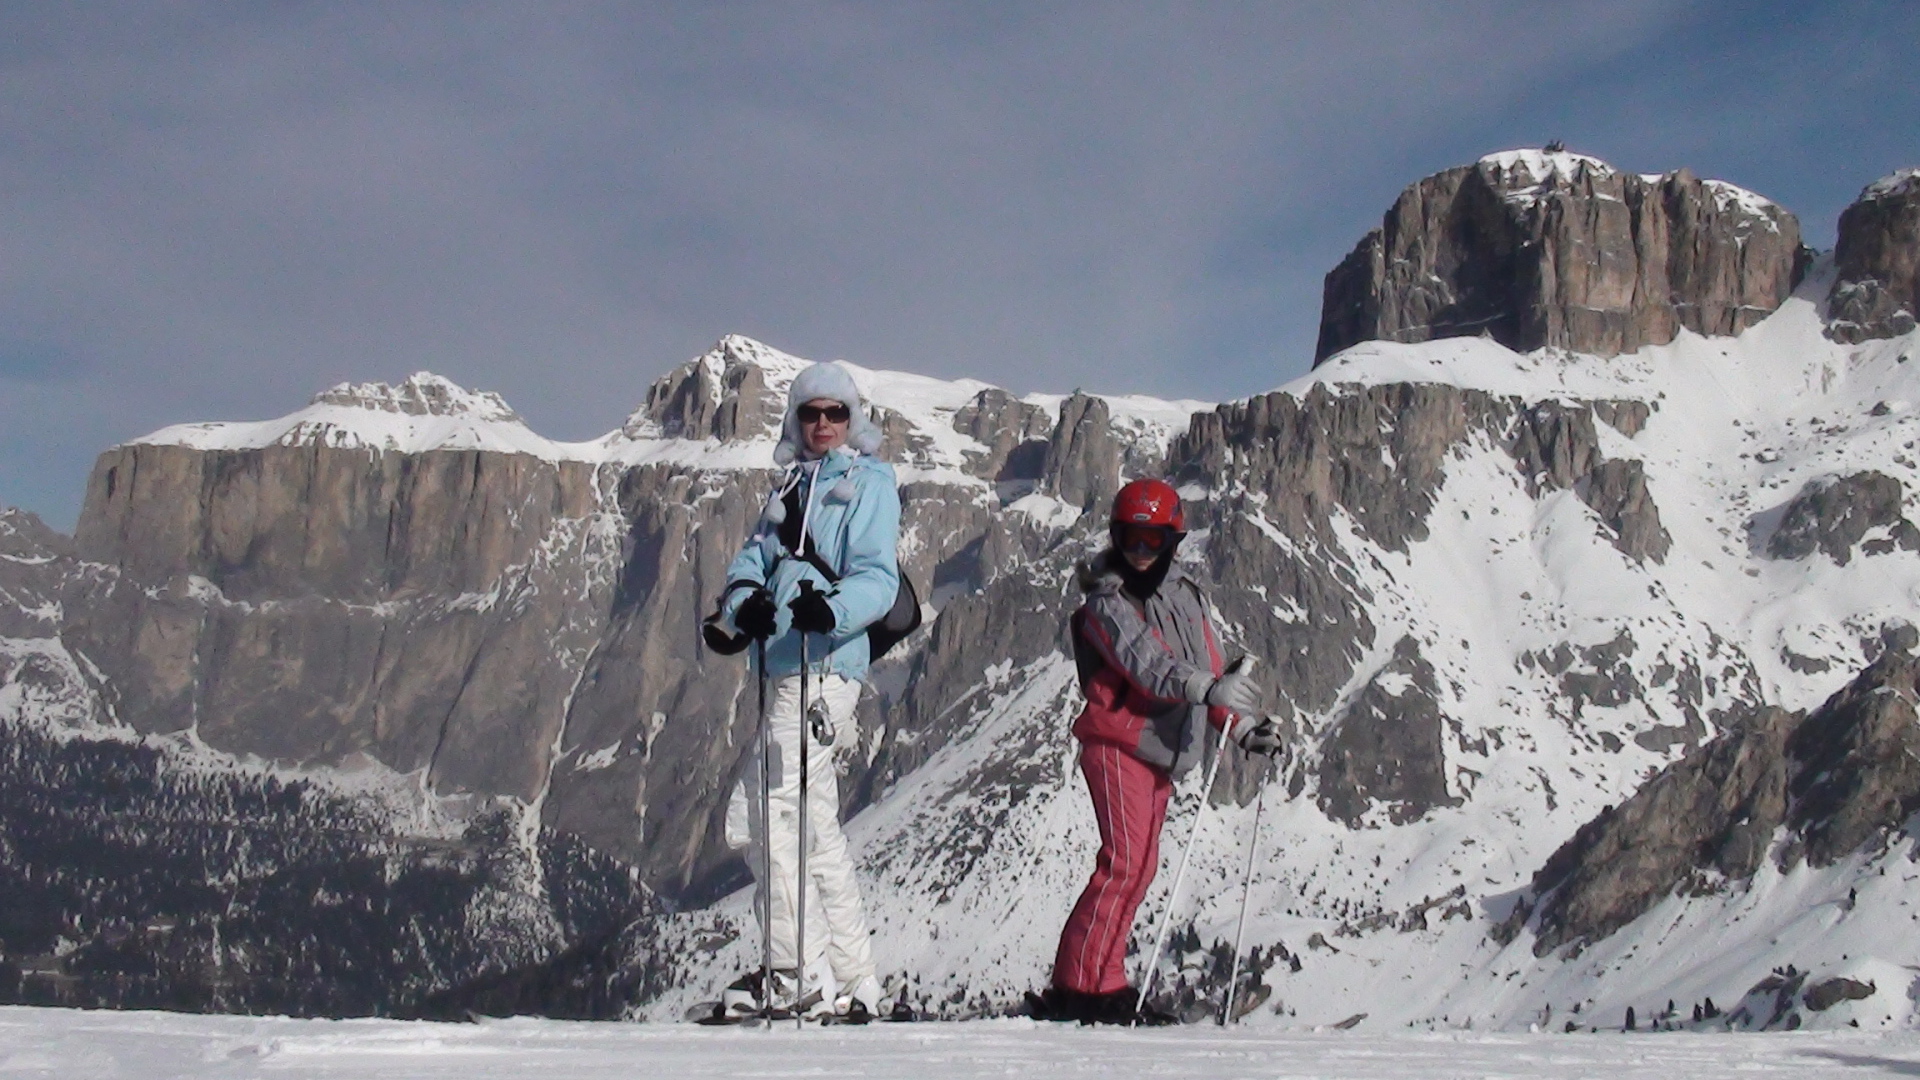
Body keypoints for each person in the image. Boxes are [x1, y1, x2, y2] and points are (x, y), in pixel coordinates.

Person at [1030, 477, 1283, 1024]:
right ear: (1115, 537)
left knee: (1140, 868)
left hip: (1162, 751)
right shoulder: (1106, 603)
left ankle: (1106, 981)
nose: (1141, 552)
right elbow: (1146, 663)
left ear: (1174, 541)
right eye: (1130, 538)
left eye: (1154, 540)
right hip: (1118, 744)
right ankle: (1079, 990)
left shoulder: (1187, 597)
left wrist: (1242, 727)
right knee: (1123, 864)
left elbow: (1212, 672)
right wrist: (1206, 689)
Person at [711, 362, 898, 1022]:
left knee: (764, 812)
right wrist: (745, 605)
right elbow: (751, 563)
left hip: (827, 666)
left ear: (853, 419)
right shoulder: (789, 485)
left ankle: (794, 973)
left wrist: (833, 611)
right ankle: (853, 981)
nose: (823, 423)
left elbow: (878, 577)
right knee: (811, 825)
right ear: (797, 419)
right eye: (812, 413)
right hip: (784, 665)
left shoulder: (870, 483)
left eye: (835, 413)